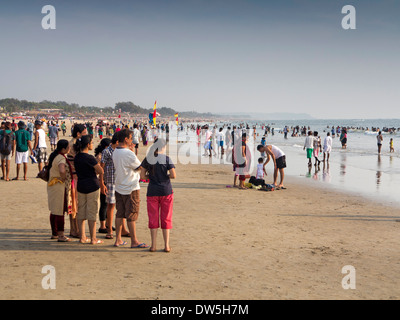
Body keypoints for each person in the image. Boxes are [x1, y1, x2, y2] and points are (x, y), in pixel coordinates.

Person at [112, 129, 148, 248]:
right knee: (131, 214)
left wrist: (131, 151)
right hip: (130, 187)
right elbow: (139, 167)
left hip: (119, 186)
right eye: (131, 138)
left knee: (120, 213)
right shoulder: (127, 153)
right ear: (126, 139)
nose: (132, 140)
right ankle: (134, 241)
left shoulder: (116, 151)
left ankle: (118, 239)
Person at [140, 138, 176, 252]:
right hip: (166, 191)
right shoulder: (166, 159)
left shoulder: (148, 159)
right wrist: (165, 176)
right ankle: (166, 245)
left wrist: (150, 177)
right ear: (163, 147)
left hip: (152, 191)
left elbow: (142, 176)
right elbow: (173, 175)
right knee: (166, 218)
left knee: (153, 218)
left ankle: (153, 246)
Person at [74, 135, 104, 245]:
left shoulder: (77, 157)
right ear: (88, 144)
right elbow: (100, 171)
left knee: (81, 212)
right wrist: (98, 161)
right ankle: (93, 238)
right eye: (91, 143)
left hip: (81, 185)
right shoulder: (89, 158)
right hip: (92, 185)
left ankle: (82, 236)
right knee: (92, 212)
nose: (92, 144)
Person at [47, 140, 74, 242]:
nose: (69, 149)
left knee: (54, 210)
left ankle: (54, 233)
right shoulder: (61, 158)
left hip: (53, 185)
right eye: (68, 147)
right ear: (63, 149)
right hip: (58, 186)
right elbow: (62, 170)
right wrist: (63, 178)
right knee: (59, 211)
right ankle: (61, 235)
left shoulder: (55, 156)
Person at [95, 138, 112, 236]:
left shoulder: (103, 154)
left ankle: (107, 223)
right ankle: (102, 225)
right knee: (104, 204)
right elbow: (99, 169)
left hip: (106, 179)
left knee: (108, 203)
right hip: (103, 180)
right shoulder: (100, 156)